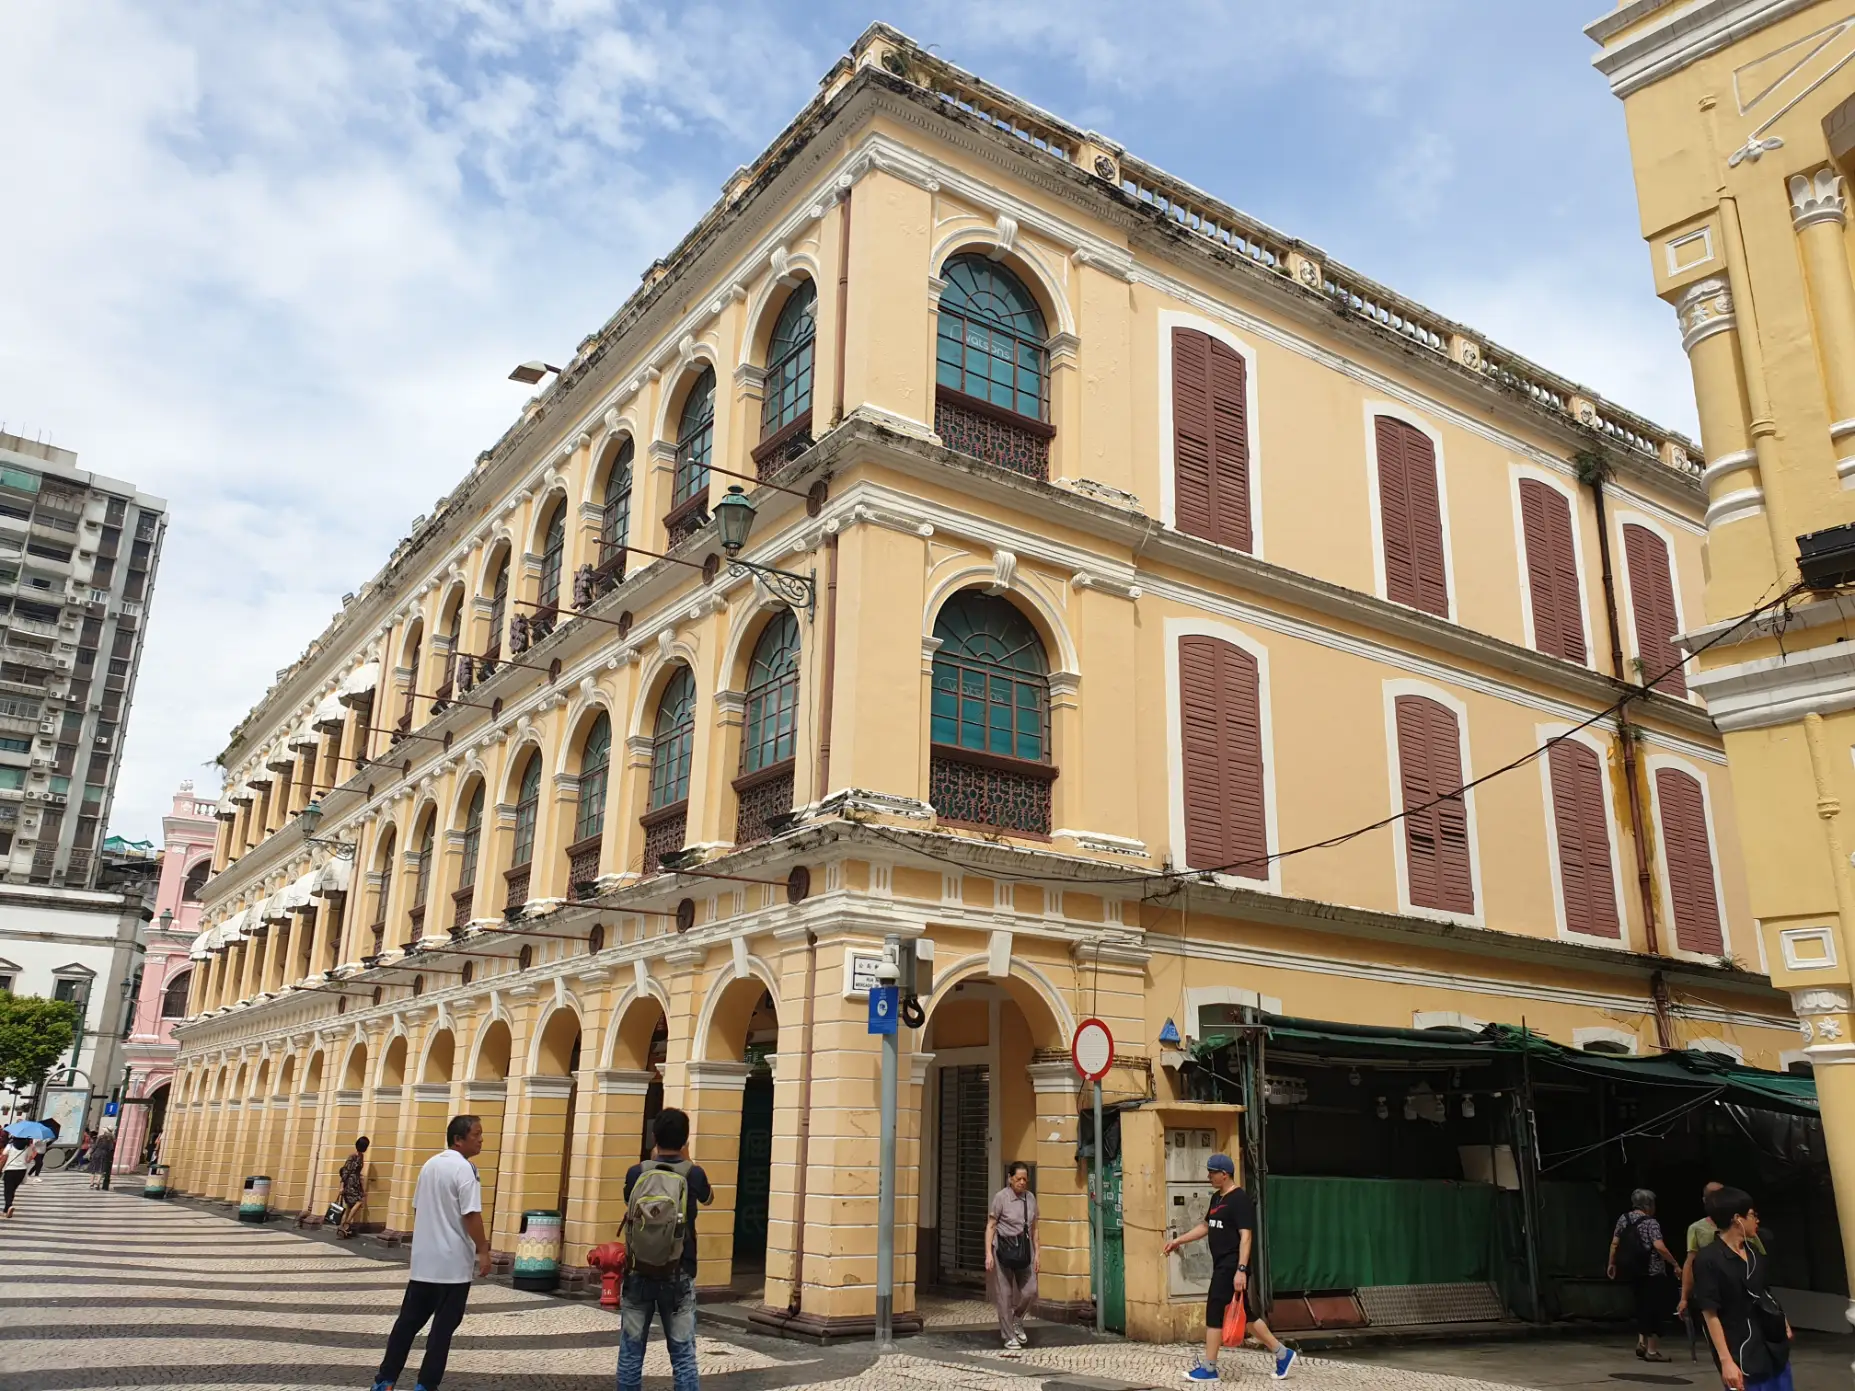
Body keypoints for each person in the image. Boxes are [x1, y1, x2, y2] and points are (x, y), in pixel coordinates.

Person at [370, 1115, 489, 1391]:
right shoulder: (465, 1169)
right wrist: (483, 1249)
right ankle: (425, 1386)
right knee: (441, 1333)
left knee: (406, 1326)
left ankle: (385, 1380)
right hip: (452, 1268)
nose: (481, 1139)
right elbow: (471, 1214)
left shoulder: (429, 1165)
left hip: (424, 1264)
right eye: (477, 1134)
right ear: (459, 1139)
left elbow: (417, 1208)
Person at [1164, 1153, 1297, 1381]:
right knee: (1246, 1316)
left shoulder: (1239, 1200)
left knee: (1214, 1310)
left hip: (1231, 1265)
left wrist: (1241, 1270)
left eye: (1212, 1172)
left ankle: (1209, 1368)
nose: (1209, 1176)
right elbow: (1206, 1226)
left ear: (1224, 1174)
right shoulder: (1217, 1198)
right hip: (1222, 1265)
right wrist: (1179, 1240)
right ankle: (1282, 1353)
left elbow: (1246, 1237)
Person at [618, 1106, 713, 1391]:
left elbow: (628, 1201)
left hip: (638, 1272)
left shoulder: (637, 1172)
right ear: (685, 1139)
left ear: (654, 1137)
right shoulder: (693, 1174)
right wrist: (687, 1160)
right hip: (679, 1271)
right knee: (683, 1354)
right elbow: (708, 1198)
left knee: (631, 1352)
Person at [1693, 1186, 1793, 1391]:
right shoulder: (1708, 1259)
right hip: (1740, 1348)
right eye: (1752, 1215)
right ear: (1737, 1219)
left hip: (1771, 1344)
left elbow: (1765, 1291)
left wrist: (1783, 1321)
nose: (1756, 1220)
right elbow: (1710, 1313)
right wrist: (1726, 1361)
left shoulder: (1754, 1252)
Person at [1679, 1181, 1766, 1325]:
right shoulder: (1697, 1231)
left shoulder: (1747, 1231)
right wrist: (1684, 1297)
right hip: (1714, 1291)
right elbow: (1690, 1262)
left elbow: (1759, 1265)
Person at [1609, 1187, 1680, 1363]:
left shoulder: (1623, 1219)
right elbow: (1660, 1246)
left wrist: (1611, 1263)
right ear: (1649, 1205)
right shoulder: (1651, 1223)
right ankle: (1652, 1351)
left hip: (1633, 1271)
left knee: (1641, 1306)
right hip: (1652, 1271)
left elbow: (1615, 1243)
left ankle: (1641, 1342)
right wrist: (1675, 1264)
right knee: (1655, 1309)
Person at [984, 1161, 1039, 1352]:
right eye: (1018, 1179)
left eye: (1025, 1179)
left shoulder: (1030, 1198)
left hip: (1024, 1250)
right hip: (1004, 1250)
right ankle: (1008, 1336)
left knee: (1030, 1290)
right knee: (1005, 1295)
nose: (1022, 1182)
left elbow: (1034, 1228)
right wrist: (988, 1253)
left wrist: (1037, 1253)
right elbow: (991, 1226)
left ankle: (1017, 1318)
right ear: (1010, 1178)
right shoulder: (1001, 1198)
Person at [338, 1136, 371, 1237]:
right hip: (350, 1182)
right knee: (359, 1202)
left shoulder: (361, 1156)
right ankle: (347, 1223)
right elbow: (345, 1172)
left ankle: (342, 1228)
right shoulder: (352, 1157)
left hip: (356, 1182)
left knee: (348, 1206)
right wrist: (342, 1186)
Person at [2, 1134, 33, 1217]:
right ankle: (6, 1210)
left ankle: (9, 1205)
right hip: (21, 1170)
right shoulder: (28, 1147)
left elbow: (4, 1156)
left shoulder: (10, 1145)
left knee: (8, 1190)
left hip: (10, 1169)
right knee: (12, 1190)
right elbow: (29, 1159)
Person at [28, 1117, 59, 1182]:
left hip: (42, 1152)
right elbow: (35, 1143)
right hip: (36, 1152)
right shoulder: (36, 1135)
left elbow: (47, 1142)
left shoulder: (44, 1136)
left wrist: (51, 1139)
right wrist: (44, 1140)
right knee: (40, 1163)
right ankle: (36, 1176)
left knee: (37, 1164)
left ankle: (29, 1174)